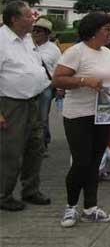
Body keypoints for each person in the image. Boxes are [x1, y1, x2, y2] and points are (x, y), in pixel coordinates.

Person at [52, 12, 110, 227]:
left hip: (102, 114)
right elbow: (58, 79)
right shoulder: (76, 52)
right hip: (78, 114)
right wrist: (83, 80)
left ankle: (91, 207)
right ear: (93, 31)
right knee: (81, 162)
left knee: (94, 162)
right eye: (106, 29)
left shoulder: (107, 52)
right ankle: (71, 207)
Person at [0, 1, 51, 211]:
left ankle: (30, 189)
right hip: (10, 104)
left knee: (35, 146)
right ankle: (3, 195)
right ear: (14, 19)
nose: (34, 19)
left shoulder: (28, 39)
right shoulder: (1, 40)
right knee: (10, 151)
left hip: (32, 101)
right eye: (29, 16)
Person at [32, 17, 62, 152]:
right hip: (29, 86)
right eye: (34, 30)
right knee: (30, 116)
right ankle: (37, 140)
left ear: (46, 33)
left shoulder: (54, 49)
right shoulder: (27, 45)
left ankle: (42, 144)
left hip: (46, 87)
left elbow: (59, 69)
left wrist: (60, 88)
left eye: (39, 31)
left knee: (42, 116)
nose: (35, 33)